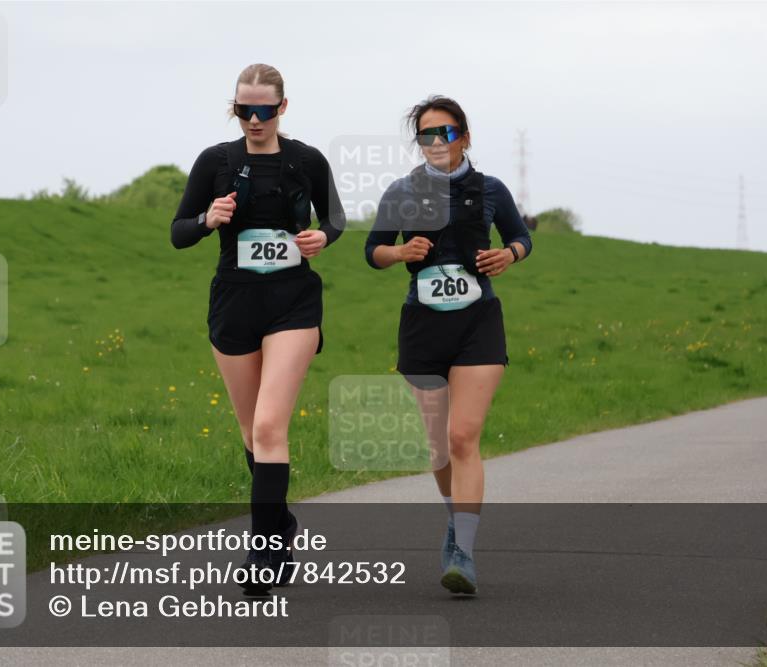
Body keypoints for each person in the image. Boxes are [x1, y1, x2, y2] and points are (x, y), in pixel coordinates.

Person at [171, 63, 345, 595]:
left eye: (264, 110)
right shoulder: (216, 162)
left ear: (282, 109)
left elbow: (334, 218)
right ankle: (282, 525)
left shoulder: (306, 160)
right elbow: (178, 233)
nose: (253, 118)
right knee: (251, 434)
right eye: (244, 109)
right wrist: (208, 220)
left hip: (292, 302)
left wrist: (322, 239)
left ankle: (264, 555)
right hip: (234, 302)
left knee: (271, 427)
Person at [364, 95, 531, 595]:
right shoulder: (402, 191)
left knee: (463, 438)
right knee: (439, 447)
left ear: (465, 136)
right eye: (427, 135)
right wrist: (400, 252)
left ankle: (465, 553)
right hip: (423, 326)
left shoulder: (491, 189)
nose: (437, 142)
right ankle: (456, 523)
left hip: (479, 323)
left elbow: (521, 237)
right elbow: (372, 249)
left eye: (447, 132)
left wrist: (510, 255)